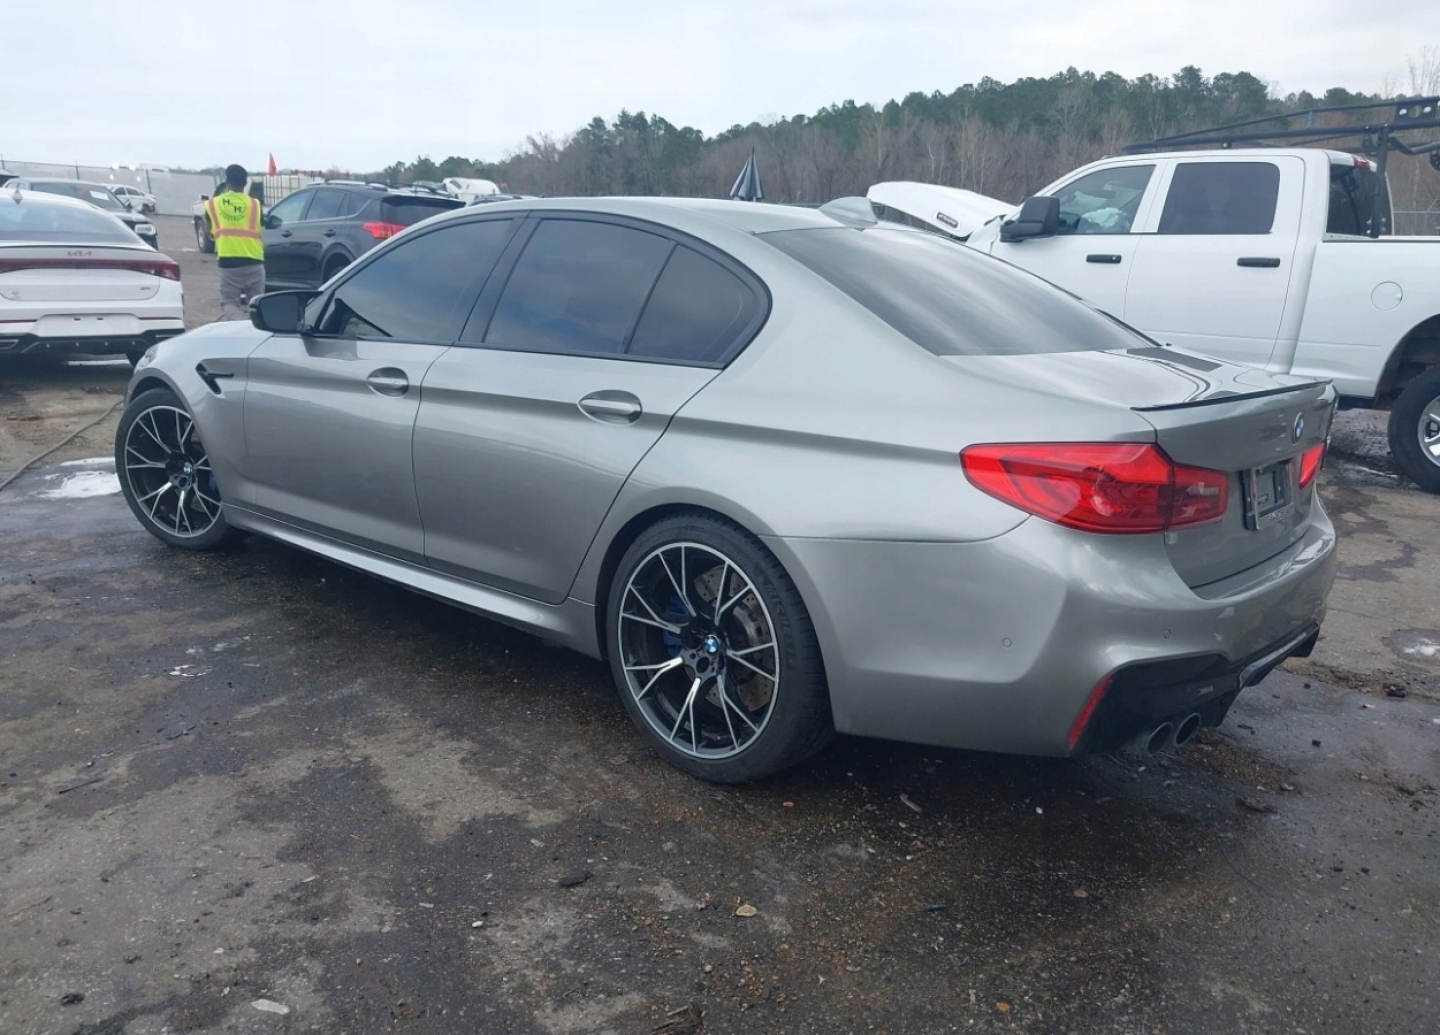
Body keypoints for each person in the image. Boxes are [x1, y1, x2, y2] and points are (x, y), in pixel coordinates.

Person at [206, 164, 264, 321]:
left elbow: (209, 232)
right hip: (254, 260)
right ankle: (256, 330)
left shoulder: (213, 204)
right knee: (258, 304)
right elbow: (261, 228)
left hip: (229, 262)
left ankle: (240, 327)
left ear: (227, 181)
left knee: (229, 303)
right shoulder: (255, 205)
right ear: (245, 183)